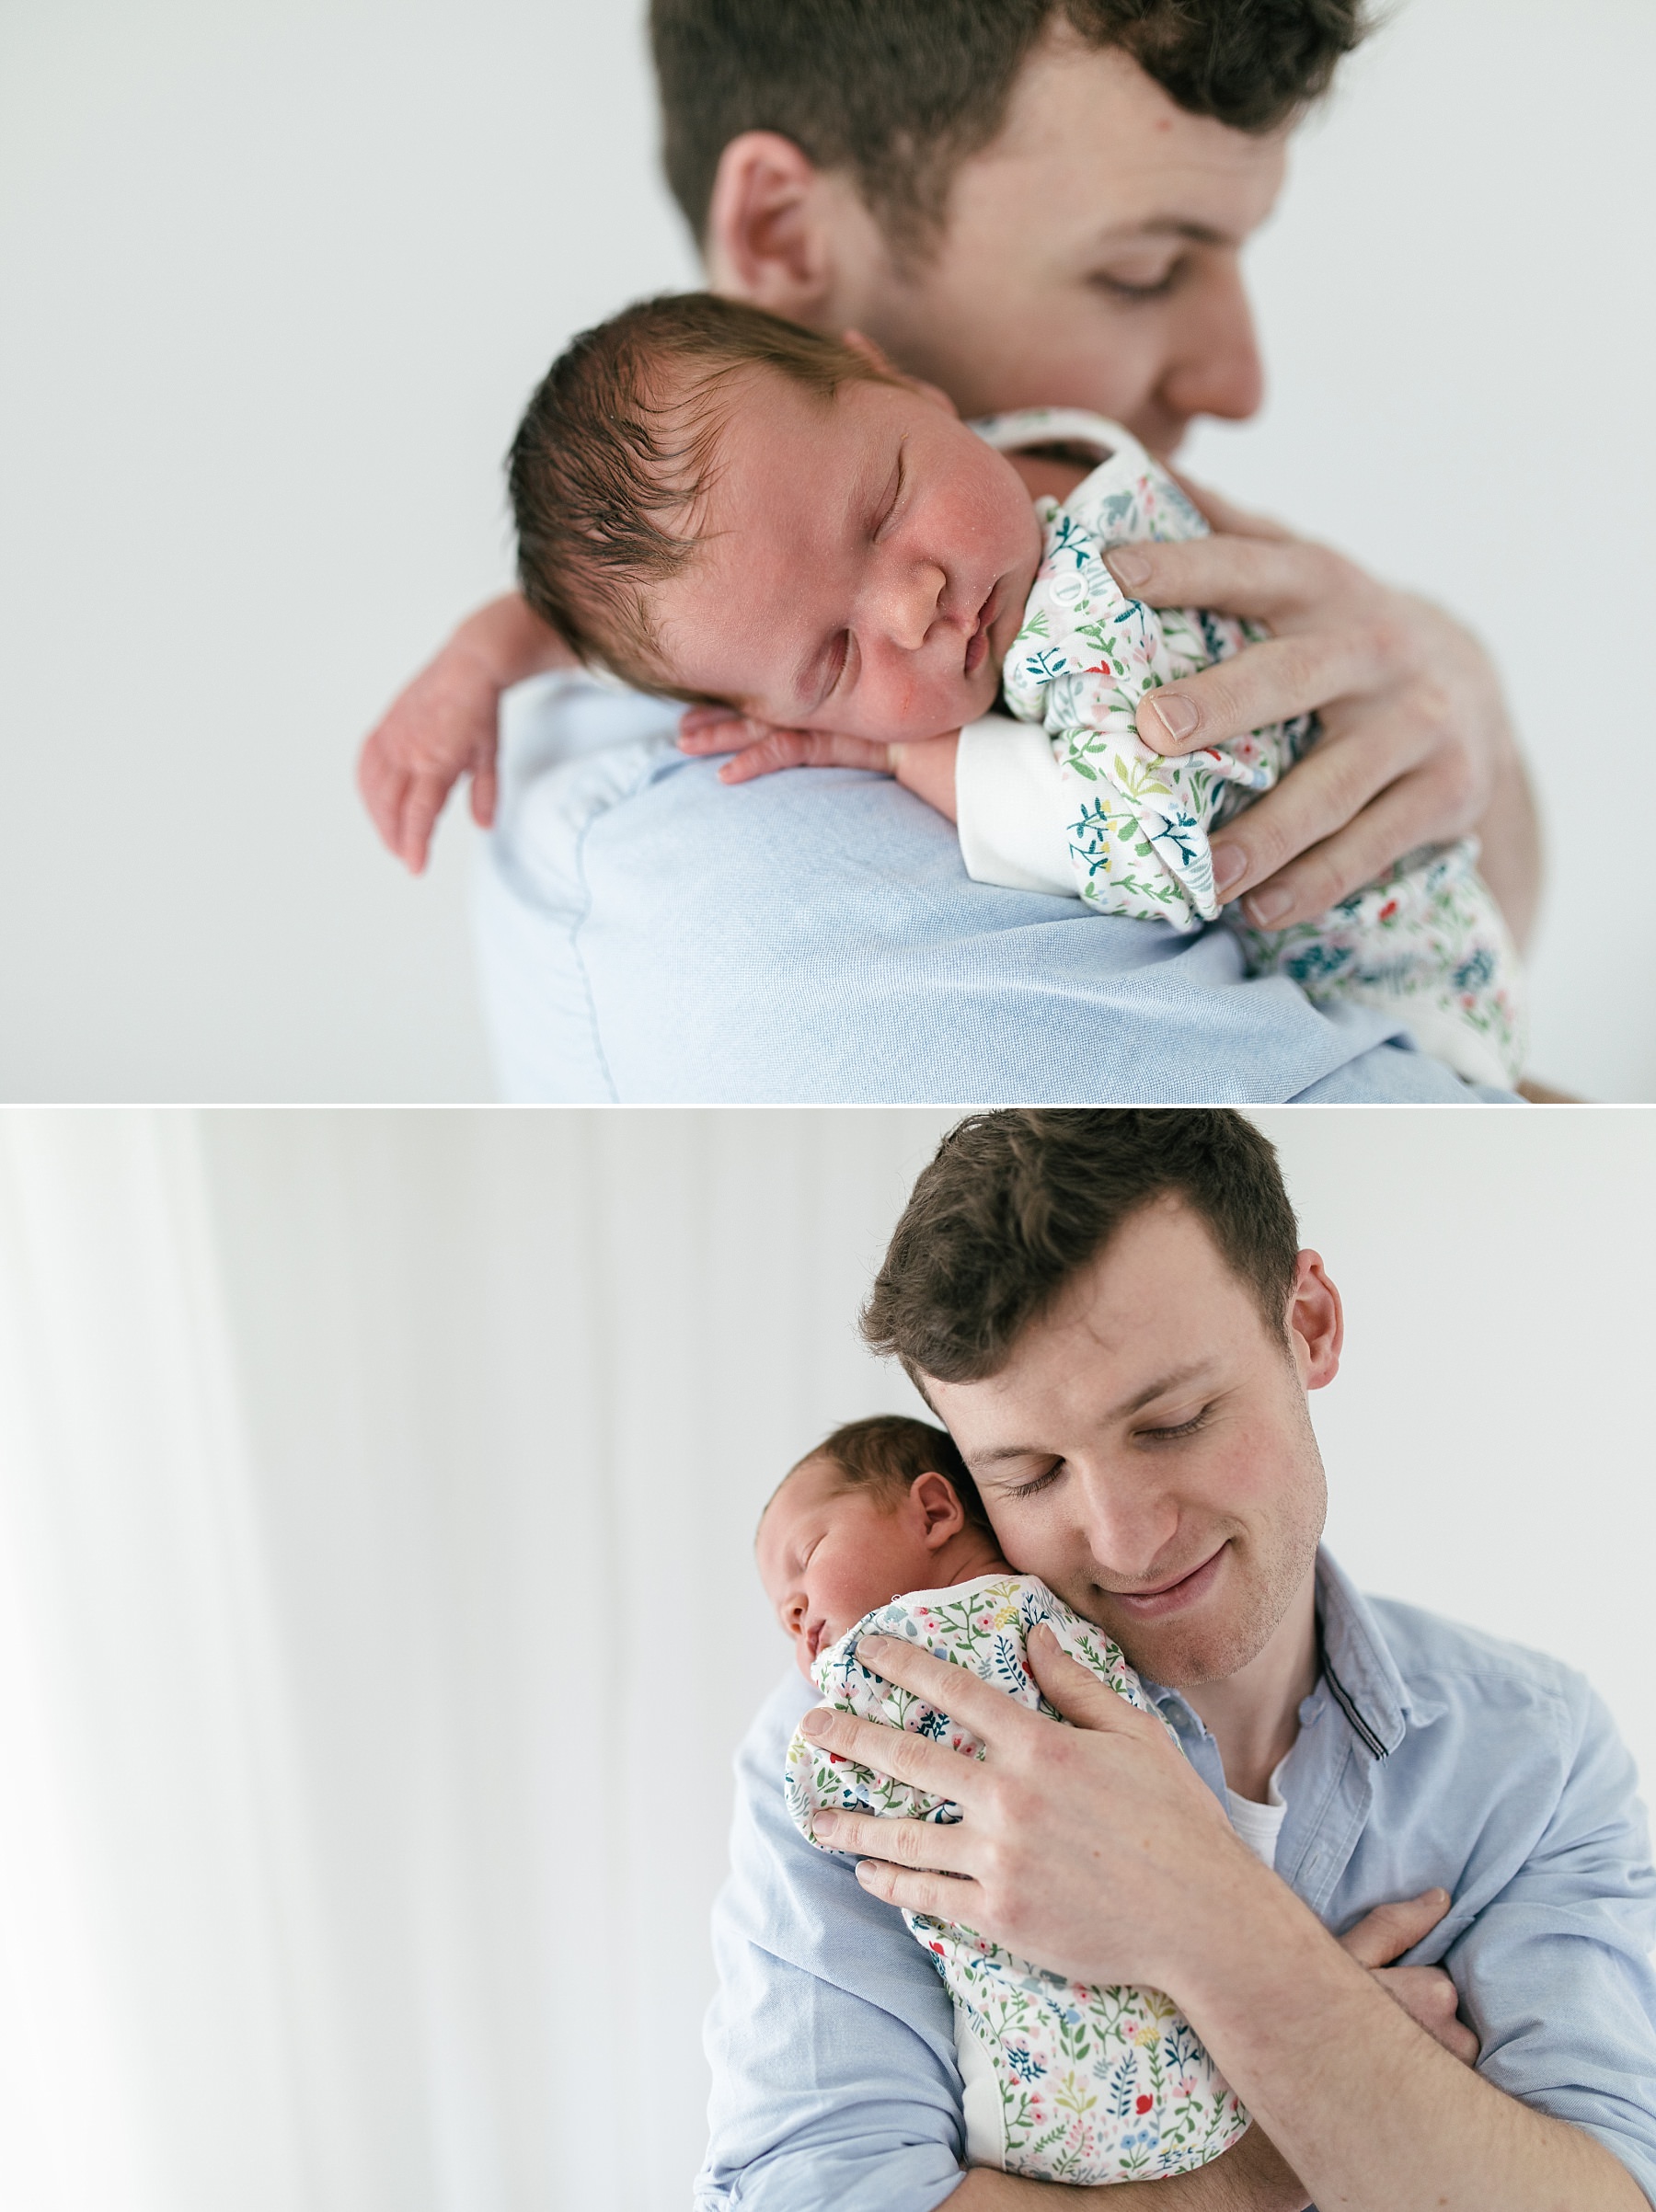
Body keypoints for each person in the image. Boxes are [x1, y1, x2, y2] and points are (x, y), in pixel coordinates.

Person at [359, 0, 1541, 1102]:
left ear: (890, 377)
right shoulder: (772, 892)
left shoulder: (982, 489)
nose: (1239, 383)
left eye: (885, 505)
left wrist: (1458, 690)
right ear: (786, 234)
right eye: (1139, 269)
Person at [698, 1110, 1656, 2209]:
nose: (1124, 1539)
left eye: (1174, 1422)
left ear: (1308, 1321)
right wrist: (1274, 2151)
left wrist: (1204, 1914)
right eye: (1030, 1473)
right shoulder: (879, 1730)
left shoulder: (1530, 1753)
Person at [495, 292, 1523, 1086]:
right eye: (835, 661)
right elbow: (721, 578)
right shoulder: (1004, 449)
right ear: (769, 717)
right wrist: (495, 644)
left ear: (899, 382)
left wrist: (912, 754)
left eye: (884, 507)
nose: (911, 610)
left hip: (1407, 986)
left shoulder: (1092, 603)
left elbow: (1153, 840)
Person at [758, 1415, 1251, 2187]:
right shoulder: (1071, 1621)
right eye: (782, 1608)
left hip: (1044, 2087)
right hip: (1208, 2083)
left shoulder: (893, 1649)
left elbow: (815, 1791)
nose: (793, 1613)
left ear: (934, 1510)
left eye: (807, 1557)